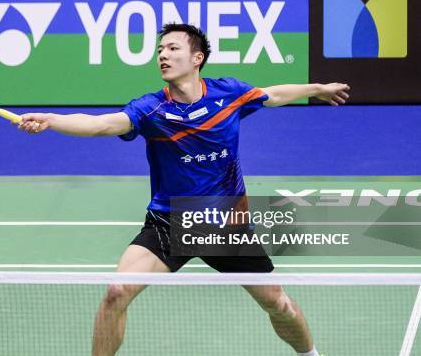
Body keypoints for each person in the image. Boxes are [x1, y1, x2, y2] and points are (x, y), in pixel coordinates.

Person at [17, 23, 349, 356]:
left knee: (278, 304)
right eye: (161, 50)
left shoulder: (228, 94)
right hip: (169, 224)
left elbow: (273, 95)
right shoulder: (151, 109)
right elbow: (103, 124)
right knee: (116, 292)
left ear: (197, 58)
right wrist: (51, 119)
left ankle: (310, 354)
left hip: (226, 228)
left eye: (173, 48)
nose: (163, 55)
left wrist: (316, 88)